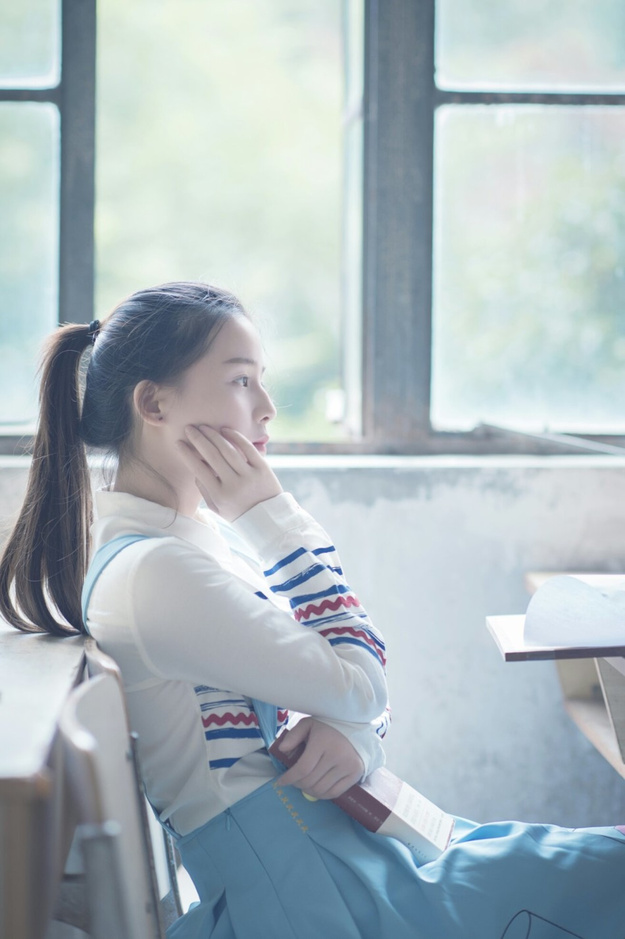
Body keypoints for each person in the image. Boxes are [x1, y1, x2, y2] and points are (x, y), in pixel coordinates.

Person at [1, 281, 624, 939]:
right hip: (312, 897)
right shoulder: (156, 570)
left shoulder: (191, 544)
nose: (267, 408)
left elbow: (353, 696)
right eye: (241, 382)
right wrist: (274, 521)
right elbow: (359, 680)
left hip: (347, 853)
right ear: (153, 402)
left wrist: (354, 736)